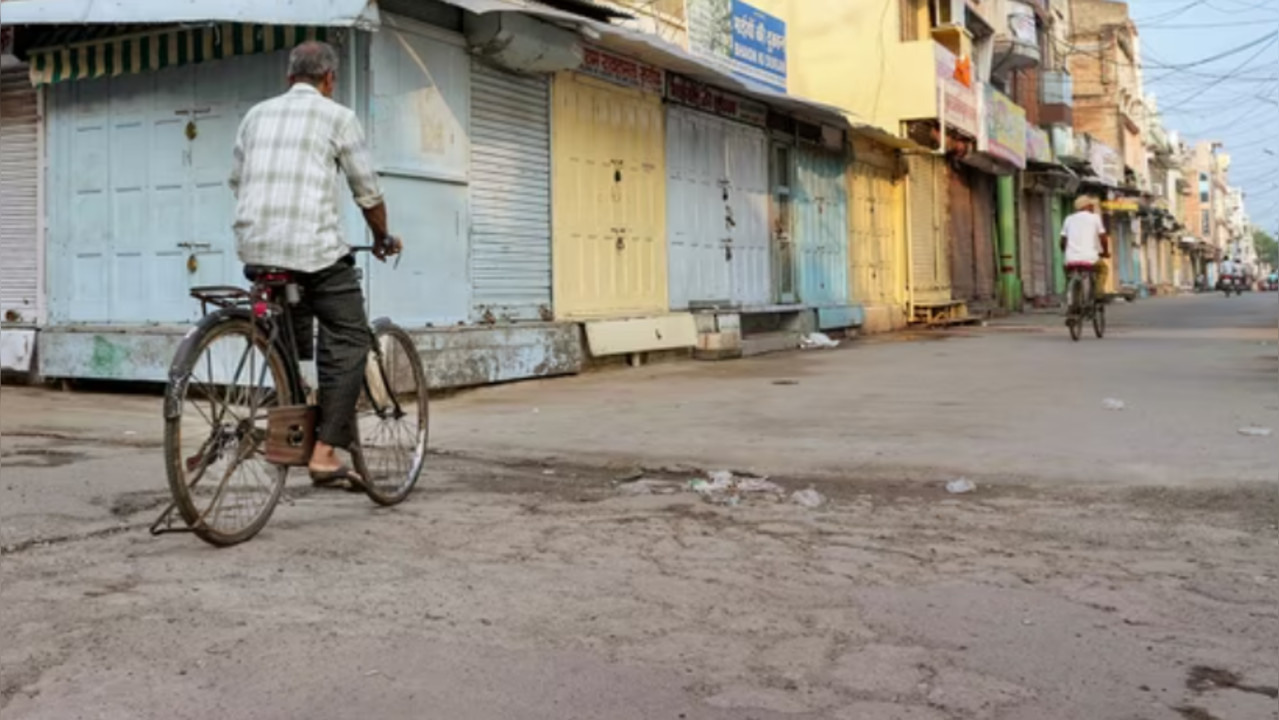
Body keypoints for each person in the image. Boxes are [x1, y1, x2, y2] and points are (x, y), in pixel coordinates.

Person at [229, 41, 400, 488]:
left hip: (256, 249)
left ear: (290, 79)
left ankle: (289, 406)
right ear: (329, 80)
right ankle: (324, 454)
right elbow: (367, 191)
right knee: (348, 334)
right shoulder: (337, 116)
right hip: (313, 252)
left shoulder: (255, 116)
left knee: (286, 331)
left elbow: (236, 180)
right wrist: (382, 236)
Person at [1060, 196, 1111, 309]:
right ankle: (1098, 294)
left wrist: (1066, 252)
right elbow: (1103, 238)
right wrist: (1105, 252)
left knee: (1068, 272)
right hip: (1090, 258)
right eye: (1091, 205)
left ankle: (1069, 291)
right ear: (1086, 206)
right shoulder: (1095, 218)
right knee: (1103, 269)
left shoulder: (1068, 218)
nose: (1092, 207)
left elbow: (1063, 241)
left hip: (1071, 259)